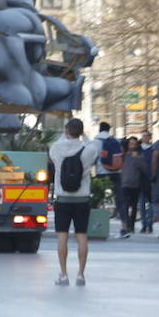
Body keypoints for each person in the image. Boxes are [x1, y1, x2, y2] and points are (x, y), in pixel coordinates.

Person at [48, 118, 100, 286]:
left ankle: (63, 275)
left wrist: (65, 135)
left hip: (62, 199)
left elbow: (54, 147)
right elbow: (93, 145)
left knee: (62, 236)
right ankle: (80, 275)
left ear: (66, 130)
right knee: (82, 236)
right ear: (81, 131)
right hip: (82, 199)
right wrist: (83, 136)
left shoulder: (56, 148)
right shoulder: (87, 149)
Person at [118, 136, 147, 239]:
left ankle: (132, 225)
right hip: (124, 183)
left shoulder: (140, 155)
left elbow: (144, 168)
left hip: (135, 184)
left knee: (134, 206)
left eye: (134, 144)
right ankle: (126, 225)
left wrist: (138, 159)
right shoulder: (123, 155)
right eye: (130, 143)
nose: (132, 146)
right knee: (125, 205)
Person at [94, 121, 123, 221]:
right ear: (108, 129)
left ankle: (97, 215)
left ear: (100, 129)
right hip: (116, 172)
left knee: (98, 195)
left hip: (101, 172)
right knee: (119, 195)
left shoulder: (96, 141)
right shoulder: (115, 140)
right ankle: (121, 216)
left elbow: (93, 158)